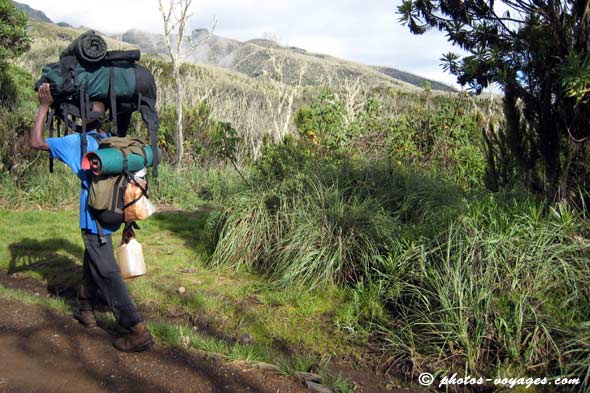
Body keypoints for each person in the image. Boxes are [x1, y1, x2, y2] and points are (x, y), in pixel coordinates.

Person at [30, 83, 154, 353]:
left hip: (93, 218)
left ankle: (136, 328)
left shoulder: (77, 143)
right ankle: (85, 307)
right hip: (113, 215)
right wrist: (128, 224)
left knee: (107, 271)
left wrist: (43, 107)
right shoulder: (111, 141)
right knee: (93, 258)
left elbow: (36, 142)